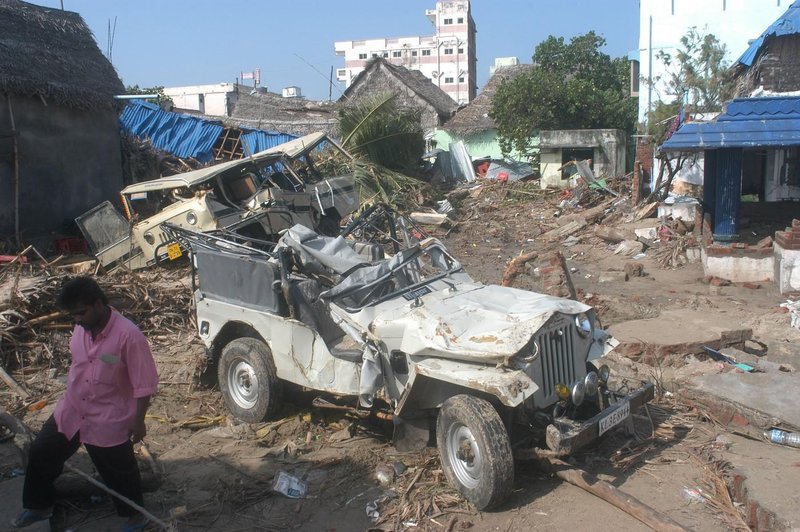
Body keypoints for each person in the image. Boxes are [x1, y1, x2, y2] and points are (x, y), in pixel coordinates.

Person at [12, 277, 159, 531]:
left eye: (81, 312)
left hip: (108, 416)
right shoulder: (80, 328)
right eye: (73, 315)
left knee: (119, 470)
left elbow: (144, 383)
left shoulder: (129, 336)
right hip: (73, 409)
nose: (77, 319)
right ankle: (39, 506)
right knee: (42, 453)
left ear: (99, 303)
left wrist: (138, 420)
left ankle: (136, 516)